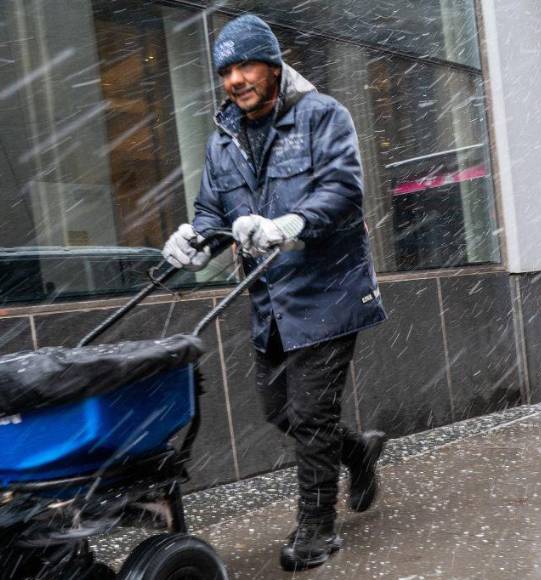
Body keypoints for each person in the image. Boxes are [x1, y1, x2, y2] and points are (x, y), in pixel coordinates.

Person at [162, 14, 388, 571]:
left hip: (328, 291)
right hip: (268, 300)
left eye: (246, 66)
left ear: (273, 64)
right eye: (226, 70)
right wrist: (197, 239)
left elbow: (342, 190)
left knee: (311, 414)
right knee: (279, 410)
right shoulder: (224, 137)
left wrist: (288, 224)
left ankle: (316, 528)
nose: (236, 79)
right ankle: (357, 451)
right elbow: (213, 209)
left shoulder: (321, 116)